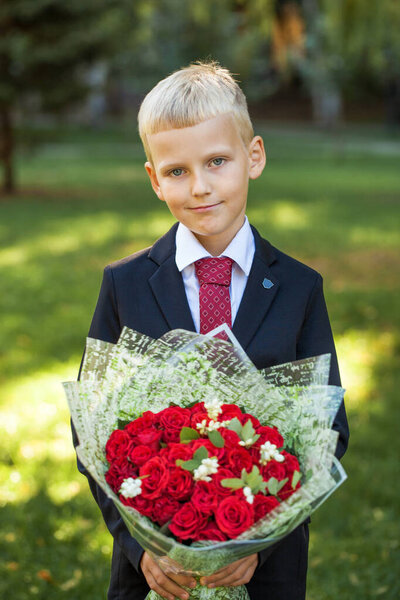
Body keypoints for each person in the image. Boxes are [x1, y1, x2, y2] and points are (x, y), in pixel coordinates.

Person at [73, 60, 349, 600]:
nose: (200, 187)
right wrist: (141, 550)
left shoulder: (299, 288)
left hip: (264, 572)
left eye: (217, 161)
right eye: (176, 171)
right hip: (154, 573)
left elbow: (329, 427)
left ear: (254, 157)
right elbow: (91, 432)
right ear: (154, 179)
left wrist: (255, 548)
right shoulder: (124, 285)